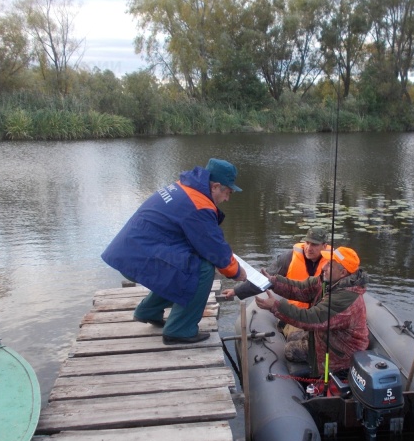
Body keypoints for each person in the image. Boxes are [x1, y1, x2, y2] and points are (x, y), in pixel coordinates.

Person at [101, 158, 247, 345]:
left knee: (185, 263)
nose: (227, 198)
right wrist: (236, 272)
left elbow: (201, 240)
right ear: (216, 186)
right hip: (138, 259)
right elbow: (215, 249)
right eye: (228, 192)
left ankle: (149, 311)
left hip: (129, 254)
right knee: (202, 268)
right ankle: (180, 330)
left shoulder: (185, 186)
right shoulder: (199, 204)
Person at [254, 246, 369, 376]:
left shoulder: (344, 300)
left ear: (343, 273)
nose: (324, 267)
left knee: (290, 350)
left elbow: (310, 319)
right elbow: (303, 288)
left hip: (340, 354)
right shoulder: (330, 282)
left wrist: (276, 306)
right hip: (327, 336)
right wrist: (274, 282)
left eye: (330, 265)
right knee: (292, 336)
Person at [221, 226, 331, 306]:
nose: (309, 248)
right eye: (307, 243)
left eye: (314, 244)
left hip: (321, 314)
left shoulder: (334, 263)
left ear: (325, 246)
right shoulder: (289, 258)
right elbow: (264, 279)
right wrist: (237, 291)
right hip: (295, 313)